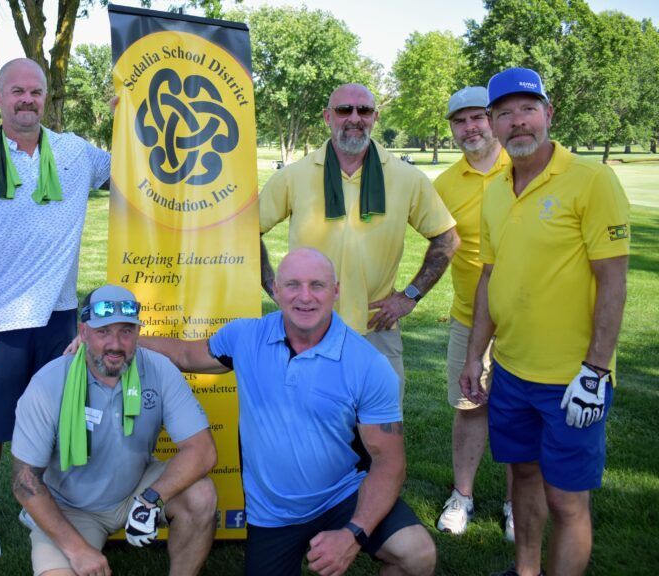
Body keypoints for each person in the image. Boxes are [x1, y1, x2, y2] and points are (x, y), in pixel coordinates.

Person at [142, 248, 436, 576]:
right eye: (293, 285)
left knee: (417, 554)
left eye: (317, 285)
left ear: (336, 290)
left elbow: (390, 462)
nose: (305, 297)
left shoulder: (369, 365)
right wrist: (121, 340)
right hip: (272, 515)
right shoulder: (245, 338)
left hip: (342, 496)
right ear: (276, 290)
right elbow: (184, 353)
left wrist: (354, 533)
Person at [460, 68, 630, 576]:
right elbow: (491, 275)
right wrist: (475, 355)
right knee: (525, 477)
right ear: (492, 123)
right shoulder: (495, 189)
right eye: (505, 113)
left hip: (573, 378)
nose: (517, 122)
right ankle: (526, 571)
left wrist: (596, 371)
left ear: (548, 114)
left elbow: (613, 281)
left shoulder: (591, 180)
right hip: (512, 370)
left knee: (567, 502)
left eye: (527, 109)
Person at [0, 57, 111, 563]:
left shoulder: (75, 153)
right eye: (16, 91)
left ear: (46, 97)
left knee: (56, 420)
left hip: (59, 316)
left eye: (35, 92)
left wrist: (133, 112)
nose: (26, 100)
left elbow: (132, 163)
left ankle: (35, 500)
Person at [259, 83, 459, 397]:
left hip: (377, 328)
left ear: (375, 117)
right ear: (328, 116)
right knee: (311, 431)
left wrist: (410, 295)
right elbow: (247, 231)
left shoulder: (406, 177)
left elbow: (446, 237)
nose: (355, 118)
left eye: (363, 110)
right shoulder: (293, 175)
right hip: (308, 327)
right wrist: (273, 285)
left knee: (382, 431)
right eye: (344, 110)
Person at [10, 284, 217, 576]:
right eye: (103, 332)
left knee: (200, 495)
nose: (116, 344)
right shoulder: (48, 384)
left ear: (138, 334)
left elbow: (202, 450)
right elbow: (24, 481)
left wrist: (151, 498)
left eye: (126, 331)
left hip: (136, 488)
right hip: (72, 507)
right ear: (83, 332)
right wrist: (78, 551)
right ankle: (54, 534)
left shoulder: (159, 369)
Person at [432, 86, 516, 539]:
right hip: (468, 316)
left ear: (493, 118)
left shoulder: (524, 165)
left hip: (528, 318)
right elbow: (435, 245)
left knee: (519, 412)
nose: (470, 128)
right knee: (470, 406)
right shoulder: (444, 184)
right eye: (459, 121)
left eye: (477, 118)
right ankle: (461, 496)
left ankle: (514, 503)